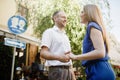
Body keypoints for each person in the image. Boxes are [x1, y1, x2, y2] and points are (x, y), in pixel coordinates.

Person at [68, 4, 116, 80]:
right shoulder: (93, 27)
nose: (80, 14)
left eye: (82, 12)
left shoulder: (92, 26)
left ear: (88, 13)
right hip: (98, 70)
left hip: (99, 71)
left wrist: (75, 57)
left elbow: (100, 52)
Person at [40, 10, 76, 80]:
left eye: (66, 18)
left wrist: (73, 77)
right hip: (57, 72)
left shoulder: (65, 36)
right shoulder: (49, 32)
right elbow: (43, 53)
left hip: (69, 71)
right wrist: (59, 57)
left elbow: (69, 59)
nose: (65, 19)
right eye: (63, 17)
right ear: (55, 18)